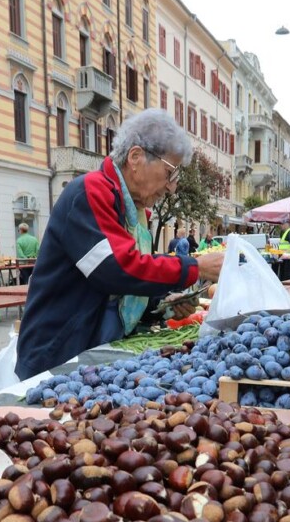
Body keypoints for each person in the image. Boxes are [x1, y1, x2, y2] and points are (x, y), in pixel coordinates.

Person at [16, 108, 223, 378]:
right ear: (136, 157)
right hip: (58, 357)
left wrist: (161, 305)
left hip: (90, 354)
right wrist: (195, 267)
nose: (171, 187)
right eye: (170, 172)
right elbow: (115, 269)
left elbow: (117, 295)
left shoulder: (132, 212)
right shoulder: (88, 192)